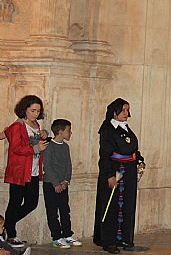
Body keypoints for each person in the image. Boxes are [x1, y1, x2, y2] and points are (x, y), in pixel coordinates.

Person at [93, 99, 145, 254]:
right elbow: (104, 154)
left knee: (127, 204)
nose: (126, 114)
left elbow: (133, 148)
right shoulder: (107, 129)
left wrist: (140, 160)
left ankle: (125, 237)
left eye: (127, 110)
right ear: (115, 112)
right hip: (114, 171)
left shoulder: (127, 128)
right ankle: (109, 241)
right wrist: (109, 175)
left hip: (128, 172)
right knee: (112, 206)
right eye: (123, 110)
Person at [4, 95, 48, 248]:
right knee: (15, 203)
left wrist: (44, 134)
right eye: (32, 110)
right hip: (19, 171)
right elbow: (15, 148)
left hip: (33, 170)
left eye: (38, 111)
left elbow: (35, 142)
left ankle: (6, 225)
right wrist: (36, 148)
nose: (35, 114)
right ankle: (11, 233)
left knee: (31, 203)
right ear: (24, 109)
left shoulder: (36, 124)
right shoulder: (17, 126)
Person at [42, 119, 82, 249]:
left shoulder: (65, 147)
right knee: (53, 212)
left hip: (63, 184)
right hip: (51, 184)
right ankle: (57, 237)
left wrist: (66, 181)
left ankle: (67, 235)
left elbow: (68, 166)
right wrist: (56, 183)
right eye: (68, 130)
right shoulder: (48, 146)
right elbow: (48, 167)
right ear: (60, 131)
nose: (70, 133)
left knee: (65, 211)